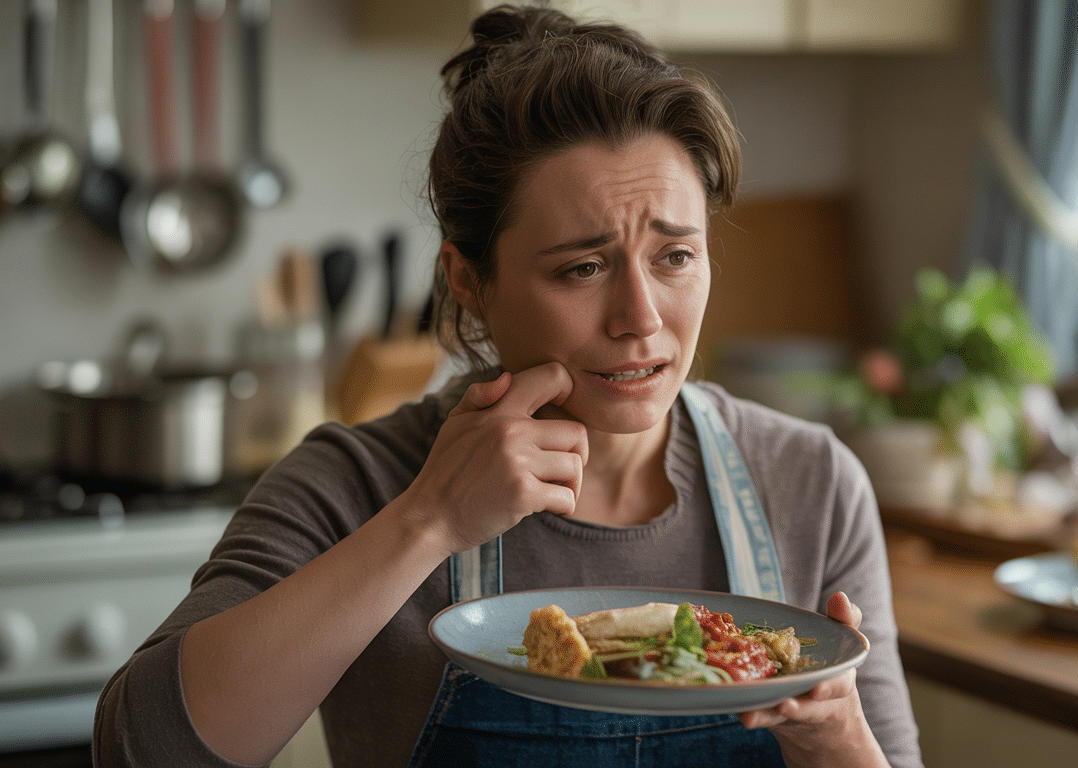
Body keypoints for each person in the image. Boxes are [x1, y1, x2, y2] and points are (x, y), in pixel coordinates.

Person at [93, 5, 923, 767]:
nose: (641, 317)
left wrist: (836, 734)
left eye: (675, 256)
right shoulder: (359, 484)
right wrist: (429, 520)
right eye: (583, 267)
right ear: (468, 279)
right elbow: (139, 749)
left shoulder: (811, 483)